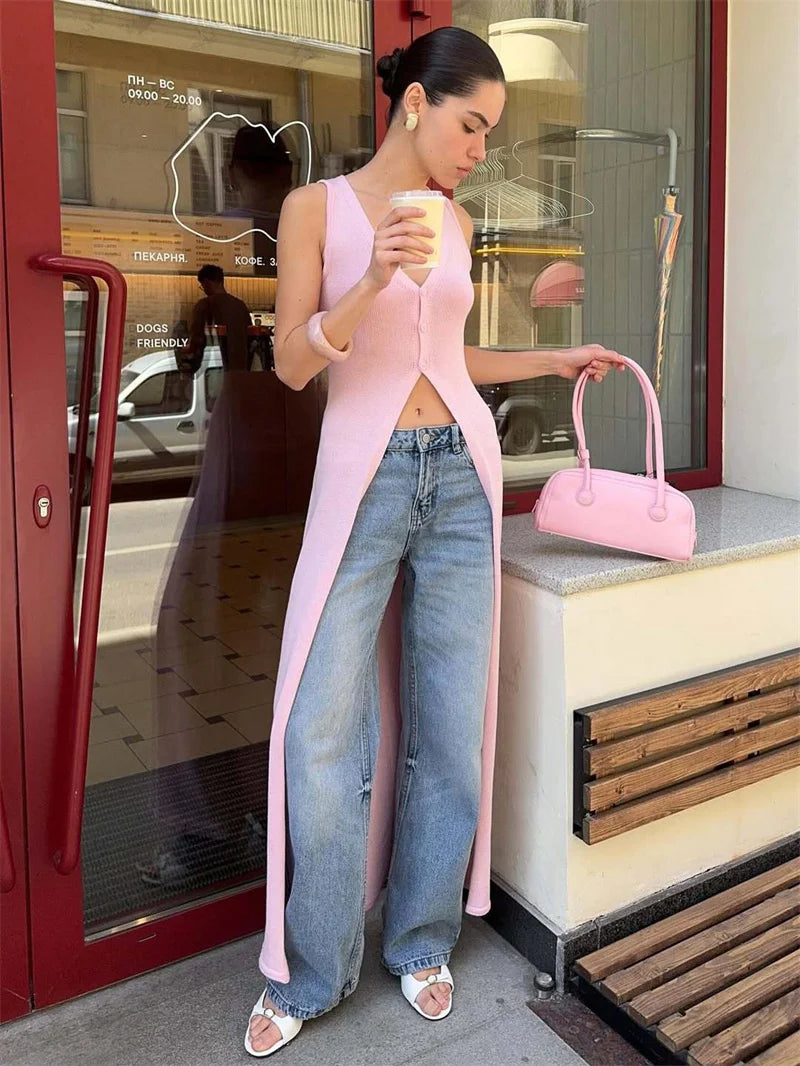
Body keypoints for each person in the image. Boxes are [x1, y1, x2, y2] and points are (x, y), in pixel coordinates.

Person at [245, 26, 626, 1057]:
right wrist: (370, 279)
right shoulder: (315, 209)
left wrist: (553, 361)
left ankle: (420, 939)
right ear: (414, 103)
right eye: (471, 125)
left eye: (489, 133)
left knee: (451, 725)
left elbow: (450, 358)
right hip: (362, 479)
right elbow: (290, 364)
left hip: (461, 476)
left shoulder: (456, 220)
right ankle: (314, 968)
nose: (479, 150)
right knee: (320, 728)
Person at [185, 264, 252, 373]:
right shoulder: (240, 306)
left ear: (207, 282)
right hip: (241, 369)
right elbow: (251, 338)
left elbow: (196, 339)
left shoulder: (204, 305)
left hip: (214, 369)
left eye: (202, 286)